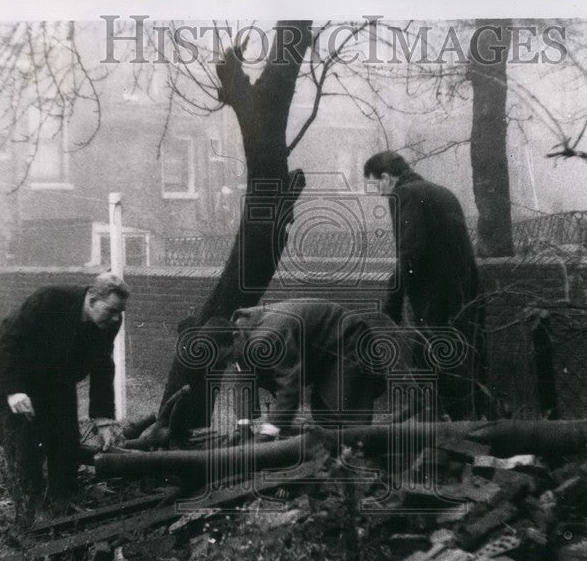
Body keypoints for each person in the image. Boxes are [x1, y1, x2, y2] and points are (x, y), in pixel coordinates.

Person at [0, 272, 129, 523]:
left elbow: (103, 364)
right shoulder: (49, 300)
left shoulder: (110, 321)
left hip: (58, 383)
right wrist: (14, 391)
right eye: (111, 310)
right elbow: (7, 341)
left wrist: (103, 417)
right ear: (91, 299)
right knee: (25, 445)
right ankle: (31, 509)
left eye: (119, 312)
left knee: (65, 441)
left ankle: (61, 503)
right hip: (20, 378)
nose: (116, 318)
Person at [363, 150, 484, 420]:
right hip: (466, 289)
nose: (381, 194)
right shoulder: (442, 192)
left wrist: (392, 303)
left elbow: (410, 252)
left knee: (427, 361)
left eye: (377, 186)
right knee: (461, 362)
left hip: (434, 294)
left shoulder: (403, 194)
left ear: (386, 178)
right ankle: (466, 429)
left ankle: (432, 435)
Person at [202, 299, 421, 438]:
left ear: (235, 337)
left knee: (345, 419)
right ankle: (331, 472)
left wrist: (268, 431)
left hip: (346, 340)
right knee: (325, 419)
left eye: (228, 356)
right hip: (322, 353)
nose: (229, 363)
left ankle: (358, 475)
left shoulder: (268, 337)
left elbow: (289, 386)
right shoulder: (239, 341)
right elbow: (241, 378)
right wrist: (243, 426)